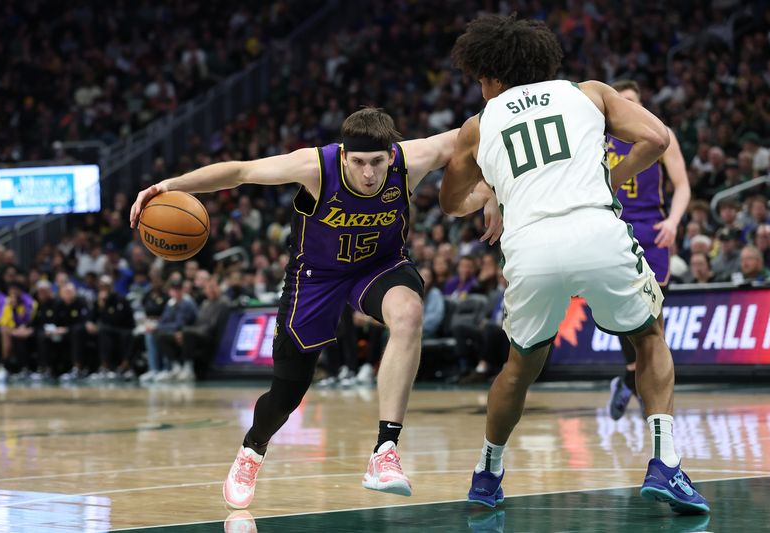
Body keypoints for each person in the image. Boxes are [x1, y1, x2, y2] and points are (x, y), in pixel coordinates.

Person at [129, 107, 502, 508]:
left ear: (392, 155)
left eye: (377, 162)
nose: (369, 173)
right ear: (343, 155)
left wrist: (493, 191)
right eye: (358, 162)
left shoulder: (414, 158)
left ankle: (385, 451)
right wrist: (167, 185)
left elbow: (484, 132)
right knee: (288, 393)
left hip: (379, 267)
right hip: (315, 277)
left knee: (409, 314)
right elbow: (239, 171)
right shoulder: (314, 165)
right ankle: (252, 450)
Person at [441, 15, 708, 514]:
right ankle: (665, 464)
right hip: (595, 232)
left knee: (519, 367)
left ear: (495, 76)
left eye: (480, 77)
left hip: (530, 247)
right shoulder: (589, 93)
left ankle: (487, 472)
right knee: (648, 337)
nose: (480, 87)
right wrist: (614, 174)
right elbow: (657, 137)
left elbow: (452, 203)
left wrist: (493, 189)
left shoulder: (479, 125)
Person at [604, 80, 691, 421]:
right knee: (619, 308)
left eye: (632, 101)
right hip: (611, 225)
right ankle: (633, 376)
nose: (627, 107)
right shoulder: (597, 136)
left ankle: (636, 383)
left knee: (655, 317)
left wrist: (674, 220)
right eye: (620, 102)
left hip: (652, 226)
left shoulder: (658, 132)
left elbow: (682, 185)